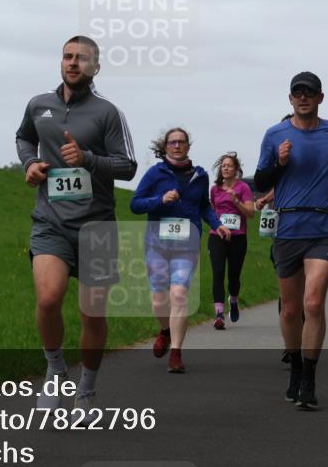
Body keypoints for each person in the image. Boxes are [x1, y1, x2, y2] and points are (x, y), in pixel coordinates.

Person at [15, 35, 137, 419]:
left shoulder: (107, 113)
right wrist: (29, 164)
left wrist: (87, 159)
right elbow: (23, 137)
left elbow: (128, 165)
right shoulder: (39, 105)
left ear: (95, 68)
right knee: (48, 299)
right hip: (50, 221)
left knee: (92, 314)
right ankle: (55, 369)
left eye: (82, 59)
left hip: (97, 226)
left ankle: (86, 388)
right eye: (67, 56)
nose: (73, 63)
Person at [254, 71, 328, 410]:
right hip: (289, 226)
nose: (303, 98)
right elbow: (262, 178)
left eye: (309, 93)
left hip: (324, 225)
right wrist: (280, 162)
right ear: (290, 99)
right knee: (291, 310)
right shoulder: (275, 134)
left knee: (313, 303)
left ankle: (309, 379)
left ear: (320, 98)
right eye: (297, 93)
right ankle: (295, 368)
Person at [130, 128, 230, 372]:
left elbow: (204, 206)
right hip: (157, 245)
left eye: (181, 142)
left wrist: (217, 225)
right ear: (165, 147)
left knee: (179, 294)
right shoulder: (155, 173)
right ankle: (164, 331)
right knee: (159, 299)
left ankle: (176, 353)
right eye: (172, 142)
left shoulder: (200, 176)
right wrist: (159, 200)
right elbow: (135, 204)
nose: (177, 146)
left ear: (187, 146)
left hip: (187, 246)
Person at [208, 153, 255, 328]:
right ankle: (219, 314)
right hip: (217, 235)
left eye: (229, 165)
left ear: (236, 169)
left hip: (238, 238)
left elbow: (250, 213)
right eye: (223, 166)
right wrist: (216, 224)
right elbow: (211, 211)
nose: (226, 168)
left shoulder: (243, 188)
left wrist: (236, 200)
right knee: (218, 273)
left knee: (233, 277)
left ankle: (233, 300)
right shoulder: (215, 189)